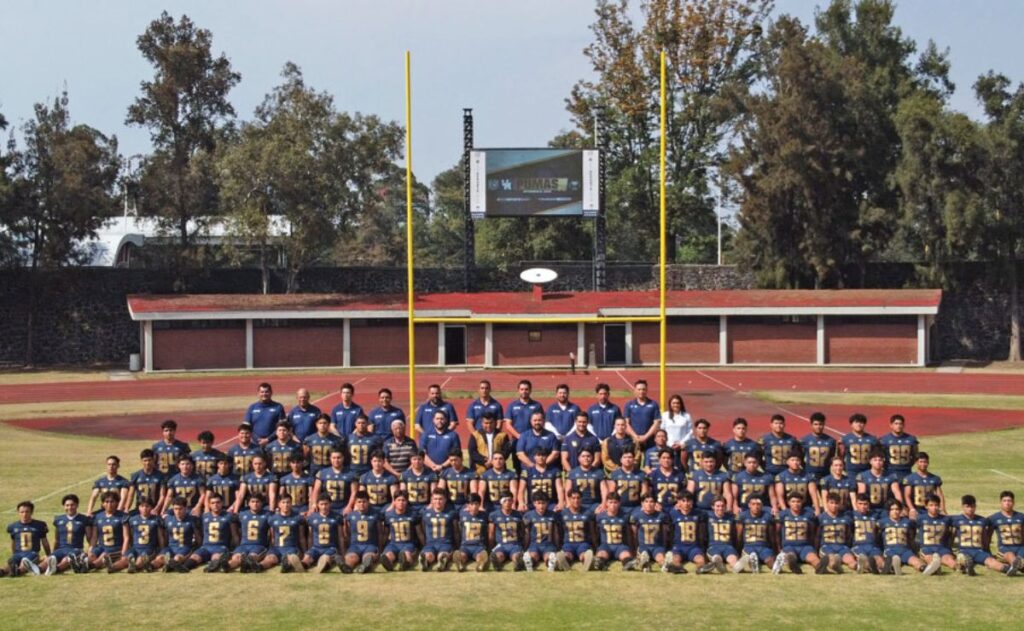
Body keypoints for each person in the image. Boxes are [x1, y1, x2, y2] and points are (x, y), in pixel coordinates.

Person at [950, 494, 1018, 576]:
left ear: (975, 506)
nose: (970, 509)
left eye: (972, 506)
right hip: (964, 550)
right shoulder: (956, 520)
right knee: (963, 558)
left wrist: (988, 551)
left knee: (991, 561)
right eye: (967, 506)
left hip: (978, 550)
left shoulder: (982, 520)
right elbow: (951, 537)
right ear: (962, 507)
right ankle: (967, 567)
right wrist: (950, 551)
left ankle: (1008, 570)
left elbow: (985, 538)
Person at [773, 493, 825, 575]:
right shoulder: (783, 514)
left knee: (813, 558)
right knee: (791, 556)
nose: (796, 504)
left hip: (805, 546)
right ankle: (794, 566)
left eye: (798, 502)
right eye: (793, 501)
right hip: (788, 546)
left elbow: (813, 532)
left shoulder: (808, 515)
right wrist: (778, 548)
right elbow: (777, 532)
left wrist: (814, 547)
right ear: (788, 502)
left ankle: (820, 568)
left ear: (802, 502)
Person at [189, 493, 237, 573]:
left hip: (220, 546)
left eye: (218, 502)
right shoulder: (204, 516)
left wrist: (234, 548)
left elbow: (234, 534)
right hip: (205, 546)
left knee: (216, 557)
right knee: (195, 557)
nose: (215, 505)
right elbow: (199, 533)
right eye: (213, 503)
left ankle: (211, 568)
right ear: (209, 505)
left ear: (222, 503)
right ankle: (183, 568)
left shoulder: (228, 516)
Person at [879, 499, 927, 575]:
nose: (895, 511)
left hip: (905, 550)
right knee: (891, 560)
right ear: (888, 511)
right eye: (892, 509)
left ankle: (926, 569)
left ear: (901, 510)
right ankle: (892, 567)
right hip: (890, 549)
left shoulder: (907, 522)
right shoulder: (882, 522)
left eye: (897, 509)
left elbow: (913, 535)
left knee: (915, 561)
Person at [3, 501, 50, 577]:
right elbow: (13, 542)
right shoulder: (13, 526)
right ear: (18, 512)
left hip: (32, 553)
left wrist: (49, 554)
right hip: (18, 553)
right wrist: (14, 554)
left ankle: (18, 571)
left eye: (27, 512)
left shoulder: (39, 525)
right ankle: (2, 571)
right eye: (22, 512)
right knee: (12, 561)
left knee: (25, 562)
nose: (24, 514)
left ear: (31, 512)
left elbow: (44, 541)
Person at [259, 494, 305, 573]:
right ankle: (259, 566)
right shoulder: (272, 518)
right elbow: (272, 536)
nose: (286, 505)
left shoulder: (297, 518)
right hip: (277, 548)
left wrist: (304, 551)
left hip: (292, 547)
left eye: (288, 502)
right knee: (270, 558)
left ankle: (287, 565)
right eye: (283, 502)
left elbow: (302, 537)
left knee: (291, 558)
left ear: (291, 504)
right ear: (279, 504)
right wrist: (270, 549)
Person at [226, 493, 271, 573]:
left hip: (259, 545)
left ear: (261, 503)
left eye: (257, 502)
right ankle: (227, 566)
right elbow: (233, 523)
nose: (255, 504)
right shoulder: (242, 514)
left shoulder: (267, 514)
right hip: (244, 545)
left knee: (252, 557)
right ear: (249, 503)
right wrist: (237, 540)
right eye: (252, 501)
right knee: (236, 557)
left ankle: (247, 565)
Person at [47, 494, 92, 574]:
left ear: (77, 505)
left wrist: (89, 552)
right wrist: (53, 552)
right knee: (51, 558)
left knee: (68, 559)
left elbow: (89, 538)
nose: (70, 507)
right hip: (61, 549)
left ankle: (56, 569)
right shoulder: (59, 519)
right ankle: (39, 569)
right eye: (67, 505)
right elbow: (57, 539)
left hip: (76, 549)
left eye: (72, 505)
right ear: (64, 506)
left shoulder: (84, 519)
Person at [666, 491, 707, 574]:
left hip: (694, 547)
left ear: (692, 502)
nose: (686, 503)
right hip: (678, 546)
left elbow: (702, 531)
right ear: (678, 502)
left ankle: (701, 569)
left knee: (700, 559)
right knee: (676, 559)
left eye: (688, 501)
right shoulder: (673, 513)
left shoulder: (698, 514)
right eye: (683, 501)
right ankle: (678, 568)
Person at [915, 493, 956, 575]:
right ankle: (934, 567)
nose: (934, 507)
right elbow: (912, 530)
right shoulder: (920, 518)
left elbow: (954, 529)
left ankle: (960, 567)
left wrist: (950, 543)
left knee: (948, 559)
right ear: (926, 506)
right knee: (929, 558)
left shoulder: (946, 519)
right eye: (931, 505)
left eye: (936, 505)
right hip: (927, 547)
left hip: (941, 547)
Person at [342, 491, 382, 573]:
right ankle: (347, 567)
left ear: (368, 502)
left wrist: (380, 549)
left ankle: (365, 566)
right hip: (355, 545)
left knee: (368, 557)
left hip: (370, 545)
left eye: (364, 502)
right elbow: (347, 533)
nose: (362, 504)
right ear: (355, 503)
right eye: (359, 502)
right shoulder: (351, 516)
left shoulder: (375, 515)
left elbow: (380, 533)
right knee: (351, 558)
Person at [87, 491, 128, 572]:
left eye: (112, 501)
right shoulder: (98, 516)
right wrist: (91, 548)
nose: (109, 504)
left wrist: (123, 552)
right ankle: (84, 563)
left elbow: (126, 537)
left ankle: (90, 566)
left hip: (115, 547)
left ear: (117, 503)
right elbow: (94, 536)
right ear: (103, 504)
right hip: (101, 546)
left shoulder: (122, 516)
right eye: (107, 501)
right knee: (91, 555)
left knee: (104, 556)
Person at [817, 492, 856, 573]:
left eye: (836, 503)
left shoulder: (846, 518)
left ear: (840, 504)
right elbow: (817, 535)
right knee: (831, 558)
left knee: (850, 559)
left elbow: (849, 535)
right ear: (827, 503)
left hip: (842, 546)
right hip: (827, 546)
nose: (834, 506)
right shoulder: (821, 518)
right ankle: (836, 566)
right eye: (831, 503)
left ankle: (858, 566)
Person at [302, 494, 343, 573]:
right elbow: (310, 536)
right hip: (316, 547)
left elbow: (340, 536)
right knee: (307, 557)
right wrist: (309, 549)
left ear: (330, 504)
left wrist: (342, 552)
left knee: (325, 558)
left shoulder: (337, 517)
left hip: (330, 547)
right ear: (317, 505)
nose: (324, 507)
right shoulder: (312, 517)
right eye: (322, 504)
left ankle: (324, 565)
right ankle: (303, 565)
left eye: (326, 504)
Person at [311, 448, 357, 517]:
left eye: (339, 458)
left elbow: (354, 492)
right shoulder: (322, 473)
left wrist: (349, 506)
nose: (336, 460)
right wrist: (314, 504)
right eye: (334, 458)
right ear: (330, 458)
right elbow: (316, 490)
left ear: (343, 458)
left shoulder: (351, 474)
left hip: (343, 507)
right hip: (326, 507)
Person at [736, 495, 776, 574]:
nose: (756, 507)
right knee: (752, 556)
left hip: (763, 546)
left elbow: (771, 535)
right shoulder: (743, 516)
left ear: (762, 506)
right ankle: (753, 564)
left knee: (769, 561)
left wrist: (774, 549)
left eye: (758, 504)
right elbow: (739, 536)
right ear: (749, 505)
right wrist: (738, 550)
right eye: (753, 504)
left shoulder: (767, 516)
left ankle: (776, 566)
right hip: (749, 546)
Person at [703, 496, 744, 574]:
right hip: (713, 546)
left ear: (725, 506)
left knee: (733, 559)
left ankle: (737, 567)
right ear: (712, 507)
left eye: (722, 506)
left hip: (728, 546)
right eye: (718, 506)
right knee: (717, 557)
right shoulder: (707, 515)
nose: (720, 508)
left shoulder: (731, 517)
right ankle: (720, 565)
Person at [522, 490, 560, 571]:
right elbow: (527, 533)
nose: (541, 506)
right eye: (538, 503)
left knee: (548, 556)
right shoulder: (529, 515)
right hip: (534, 544)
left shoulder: (553, 515)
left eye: (543, 503)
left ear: (547, 503)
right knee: (533, 556)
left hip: (548, 544)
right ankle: (530, 563)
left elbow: (556, 533)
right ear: (534, 503)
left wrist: (557, 546)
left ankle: (550, 563)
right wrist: (525, 547)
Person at [856, 449, 903, 515]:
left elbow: (897, 492)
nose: (878, 462)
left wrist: (900, 507)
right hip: (870, 509)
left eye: (880, 460)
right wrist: (863, 508)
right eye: (875, 460)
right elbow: (861, 495)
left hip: (886, 509)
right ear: (870, 461)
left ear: (883, 461)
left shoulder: (891, 476)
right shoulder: (863, 476)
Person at [419, 489, 457, 571]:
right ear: (432, 500)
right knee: (428, 555)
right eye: (435, 499)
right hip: (430, 543)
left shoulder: (451, 513)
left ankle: (442, 562)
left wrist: (456, 545)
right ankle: (425, 561)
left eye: (440, 499)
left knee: (442, 555)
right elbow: (423, 529)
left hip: (445, 543)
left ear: (445, 500)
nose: (438, 501)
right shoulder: (425, 513)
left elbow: (455, 531)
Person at [630, 493, 669, 572]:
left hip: (657, 546)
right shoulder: (636, 516)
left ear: (655, 503)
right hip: (643, 546)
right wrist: (635, 549)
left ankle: (664, 566)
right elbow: (634, 534)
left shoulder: (661, 516)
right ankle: (645, 565)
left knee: (660, 557)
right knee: (644, 555)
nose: (649, 504)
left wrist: (665, 546)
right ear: (642, 503)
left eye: (651, 502)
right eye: (646, 501)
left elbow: (665, 534)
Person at [558, 488, 595, 571]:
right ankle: (565, 562)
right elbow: (560, 531)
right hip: (568, 542)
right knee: (568, 554)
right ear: (569, 499)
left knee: (583, 554)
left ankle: (587, 561)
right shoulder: (563, 513)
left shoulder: (588, 512)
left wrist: (594, 545)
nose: (576, 500)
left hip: (583, 542)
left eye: (578, 498)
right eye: (573, 498)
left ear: (581, 499)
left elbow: (592, 531)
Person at [593, 492, 632, 570]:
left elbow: (628, 534)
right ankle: (600, 564)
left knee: (626, 555)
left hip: (619, 545)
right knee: (601, 554)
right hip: (606, 545)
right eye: (610, 502)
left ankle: (627, 565)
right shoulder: (600, 516)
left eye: (615, 502)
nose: (613, 505)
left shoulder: (624, 516)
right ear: (606, 503)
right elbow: (595, 533)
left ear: (619, 503)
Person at [381, 490, 418, 571]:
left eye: (403, 500)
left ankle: (405, 563)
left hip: (408, 543)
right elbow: (385, 533)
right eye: (398, 500)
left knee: (407, 554)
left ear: (407, 502)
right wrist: (382, 546)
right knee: (389, 555)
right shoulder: (388, 515)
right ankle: (389, 564)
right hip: (393, 543)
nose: (401, 502)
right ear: (394, 502)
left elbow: (419, 533)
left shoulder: (413, 514)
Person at [161, 496, 199, 573]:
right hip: (171, 547)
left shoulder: (192, 520)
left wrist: (196, 547)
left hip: (184, 547)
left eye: (180, 509)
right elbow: (164, 535)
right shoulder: (168, 519)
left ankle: (169, 565)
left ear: (185, 509)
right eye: (175, 509)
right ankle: (149, 566)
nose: (178, 511)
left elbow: (198, 536)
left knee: (177, 558)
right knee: (160, 558)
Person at [125, 498, 164, 573]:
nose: (144, 508)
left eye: (147, 506)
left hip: (149, 548)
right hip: (135, 547)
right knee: (125, 558)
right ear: (139, 507)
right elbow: (130, 535)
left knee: (141, 558)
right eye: (142, 506)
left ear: (151, 507)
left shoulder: (156, 519)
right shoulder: (132, 519)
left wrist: (162, 550)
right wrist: (129, 547)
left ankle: (134, 567)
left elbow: (160, 537)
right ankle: (112, 567)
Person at [488, 493, 525, 571]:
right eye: (505, 501)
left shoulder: (518, 515)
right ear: (501, 502)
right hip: (501, 544)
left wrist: (523, 544)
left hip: (515, 544)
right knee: (499, 556)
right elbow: (491, 533)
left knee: (516, 556)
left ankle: (518, 563)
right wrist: (491, 547)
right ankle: (497, 563)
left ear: (512, 502)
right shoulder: (494, 515)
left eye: (510, 500)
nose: (507, 503)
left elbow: (523, 532)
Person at [903, 452, 945, 518]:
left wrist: (942, 509)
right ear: (916, 462)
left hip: (931, 508)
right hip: (917, 508)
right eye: (921, 462)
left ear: (928, 462)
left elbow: (940, 495)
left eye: (925, 462)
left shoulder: (934, 478)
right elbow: (907, 495)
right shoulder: (910, 478)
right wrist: (912, 509)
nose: (923, 464)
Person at [989, 490, 1024, 571]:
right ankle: (1017, 565)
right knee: (1010, 555)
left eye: (1009, 501)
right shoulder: (994, 518)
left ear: (1013, 502)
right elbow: (987, 536)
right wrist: (988, 553)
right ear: (1000, 502)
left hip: (1020, 547)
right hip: (1004, 548)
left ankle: (1015, 566)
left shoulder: (1021, 516)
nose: (1007, 503)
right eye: (1004, 501)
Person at [454, 493, 490, 572]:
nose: (474, 507)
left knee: (480, 556)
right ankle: (460, 563)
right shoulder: (462, 513)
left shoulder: (484, 515)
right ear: (467, 505)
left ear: (479, 504)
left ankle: (480, 564)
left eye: (476, 504)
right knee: (462, 556)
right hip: (465, 545)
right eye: (471, 504)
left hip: (479, 546)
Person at [850, 493, 884, 573]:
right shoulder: (851, 515)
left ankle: (885, 568)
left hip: (872, 545)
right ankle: (871, 568)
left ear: (869, 505)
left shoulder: (874, 515)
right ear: (856, 504)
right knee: (863, 558)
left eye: (865, 504)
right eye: (860, 504)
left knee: (879, 558)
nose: (863, 506)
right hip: (858, 545)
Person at [359, 451, 399, 516]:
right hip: (370, 507)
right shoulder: (364, 477)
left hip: (385, 506)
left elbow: (395, 497)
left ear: (383, 462)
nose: (377, 464)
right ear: (371, 462)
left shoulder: (391, 477)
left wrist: (391, 507)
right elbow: (361, 496)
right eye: (375, 461)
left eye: (379, 461)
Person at [879, 413, 918, 478]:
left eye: (900, 424)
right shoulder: (884, 440)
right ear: (891, 425)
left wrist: (907, 465)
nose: (898, 426)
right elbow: (879, 457)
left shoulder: (911, 439)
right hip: (889, 472)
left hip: (906, 472)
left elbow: (915, 455)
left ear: (904, 425)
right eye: (896, 424)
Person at [623, 379, 660, 447]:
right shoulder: (629, 404)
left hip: (649, 441)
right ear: (635, 390)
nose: (641, 391)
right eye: (639, 389)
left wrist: (645, 437)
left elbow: (656, 423)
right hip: (633, 440)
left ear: (646, 390)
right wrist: (635, 436)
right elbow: (626, 423)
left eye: (643, 389)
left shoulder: (654, 404)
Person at [799, 412, 836, 479]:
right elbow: (800, 458)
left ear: (824, 425)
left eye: (820, 424)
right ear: (811, 425)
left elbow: (832, 458)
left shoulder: (831, 440)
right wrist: (805, 468)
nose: (818, 427)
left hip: (825, 474)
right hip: (809, 474)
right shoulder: (804, 440)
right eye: (815, 424)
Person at [127, 449, 166, 514]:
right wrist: (126, 508)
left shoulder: (161, 476)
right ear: (141, 461)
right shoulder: (136, 475)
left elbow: (162, 495)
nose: (147, 463)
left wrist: (156, 509)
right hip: (140, 509)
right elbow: (131, 495)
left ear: (153, 460)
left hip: (155, 509)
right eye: (145, 460)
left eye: (149, 460)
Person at [401, 450, 438, 517]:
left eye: (419, 459)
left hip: (425, 505)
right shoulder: (405, 475)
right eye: (414, 459)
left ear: (423, 460)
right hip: (410, 506)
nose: (417, 462)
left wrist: (431, 505)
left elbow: (434, 492)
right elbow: (403, 493)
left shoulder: (431, 474)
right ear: (410, 460)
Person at [661, 395, 693, 459]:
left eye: (677, 403)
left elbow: (690, 432)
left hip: (682, 447)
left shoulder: (686, 416)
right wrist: (670, 443)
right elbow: (662, 430)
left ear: (681, 404)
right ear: (670, 404)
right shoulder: (665, 415)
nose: (675, 405)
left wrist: (681, 443)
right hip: (668, 446)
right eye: (673, 403)